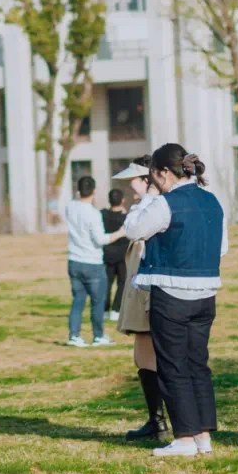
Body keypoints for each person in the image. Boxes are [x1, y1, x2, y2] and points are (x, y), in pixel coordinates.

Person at [125, 142, 227, 458]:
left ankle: (183, 438)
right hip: (206, 294)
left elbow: (133, 230)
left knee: (173, 366)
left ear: (163, 173)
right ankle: (202, 436)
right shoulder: (212, 201)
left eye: (154, 176)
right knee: (198, 365)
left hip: (171, 294)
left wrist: (148, 197)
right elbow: (222, 248)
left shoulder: (164, 203)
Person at [113, 160, 168, 442]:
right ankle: (157, 419)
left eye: (133, 180)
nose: (130, 186)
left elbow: (133, 229)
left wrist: (146, 198)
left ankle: (159, 422)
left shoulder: (153, 207)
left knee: (148, 357)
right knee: (143, 356)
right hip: (141, 289)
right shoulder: (150, 204)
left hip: (147, 291)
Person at [64, 172, 119, 347]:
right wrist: (121, 232)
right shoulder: (93, 214)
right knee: (97, 302)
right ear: (94, 191)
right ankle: (98, 335)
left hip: (74, 260)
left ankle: (74, 336)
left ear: (78, 191)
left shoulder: (70, 207)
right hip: (92, 262)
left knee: (78, 301)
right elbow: (101, 240)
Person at [101, 186, 129, 314]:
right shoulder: (126, 218)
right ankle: (116, 309)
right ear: (122, 200)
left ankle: (104, 309)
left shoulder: (102, 215)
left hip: (107, 254)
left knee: (106, 283)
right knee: (122, 283)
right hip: (123, 255)